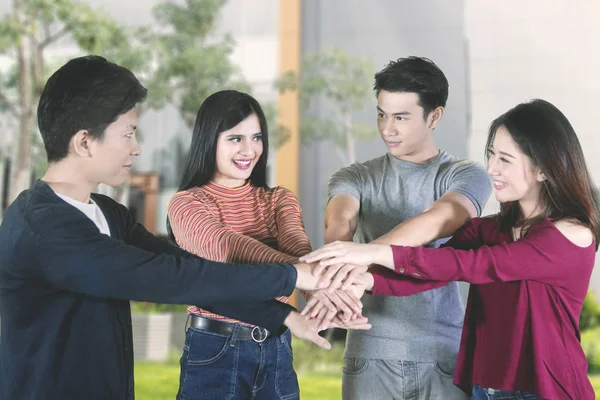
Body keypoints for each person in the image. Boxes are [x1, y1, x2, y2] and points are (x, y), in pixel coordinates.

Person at [0, 56, 329, 400]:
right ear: (84, 142)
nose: (136, 147)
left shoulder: (109, 213)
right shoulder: (44, 229)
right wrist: (293, 275)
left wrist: (285, 316)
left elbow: (191, 273)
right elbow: (173, 277)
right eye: (128, 133)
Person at [302, 99, 599, 400]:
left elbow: (476, 265)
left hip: (549, 392)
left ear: (543, 170)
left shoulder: (570, 235)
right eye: (492, 155)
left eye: (506, 160)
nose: (492, 168)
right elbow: (435, 268)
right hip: (487, 391)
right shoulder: (492, 230)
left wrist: (372, 252)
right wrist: (366, 281)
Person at [308, 56, 491, 399]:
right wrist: (335, 265)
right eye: (382, 114)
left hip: (443, 356)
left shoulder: (465, 175)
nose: (387, 129)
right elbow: (339, 222)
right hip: (369, 355)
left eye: (401, 117)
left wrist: (359, 256)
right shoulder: (354, 176)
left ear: (434, 116)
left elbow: (439, 219)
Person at [167, 89, 369, 400]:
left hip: (276, 347)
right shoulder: (187, 204)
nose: (250, 149)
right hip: (215, 351)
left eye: (257, 137)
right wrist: (305, 274)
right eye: (236, 138)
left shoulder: (278, 199)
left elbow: (299, 249)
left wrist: (323, 290)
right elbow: (228, 249)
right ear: (209, 140)